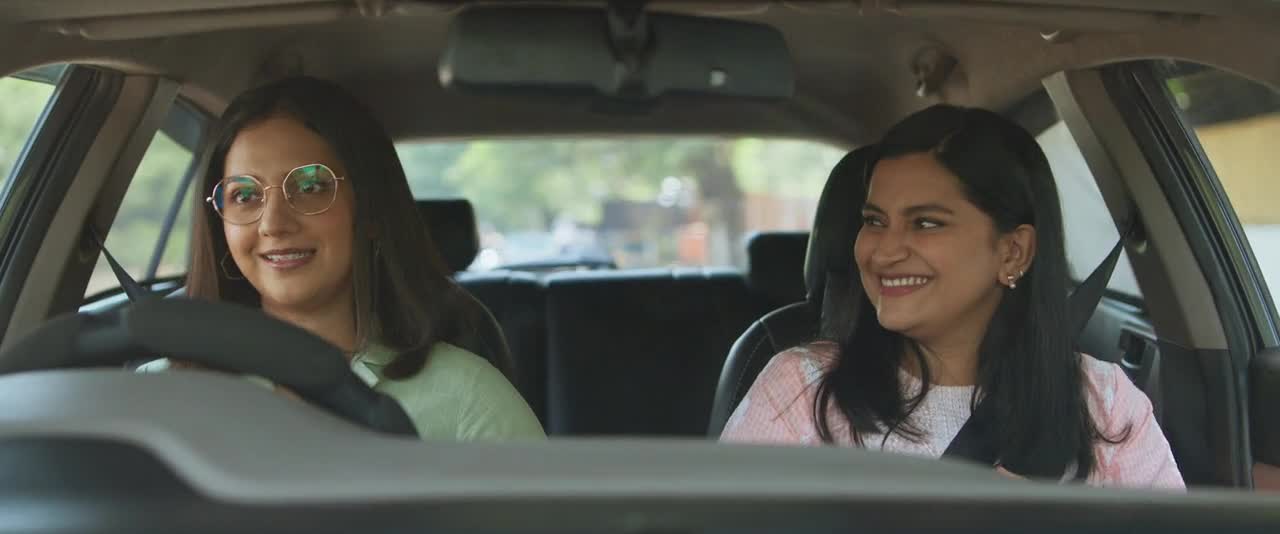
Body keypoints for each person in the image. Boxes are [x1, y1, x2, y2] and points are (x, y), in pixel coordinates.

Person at [720, 105, 1183, 489]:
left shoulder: (1103, 404)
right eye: (875, 221)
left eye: (926, 223)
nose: (884, 251)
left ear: (1013, 252)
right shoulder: (802, 390)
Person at [142, 76, 544, 442]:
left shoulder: (467, 400)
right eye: (245, 195)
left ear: (371, 211)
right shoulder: (157, 394)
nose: (273, 224)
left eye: (311, 187)